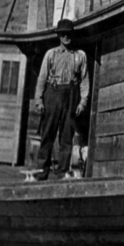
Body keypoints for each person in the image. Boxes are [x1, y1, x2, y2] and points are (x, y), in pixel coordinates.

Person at [33, 18, 89, 180]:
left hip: (71, 95)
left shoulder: (80, 56)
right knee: (48, 133)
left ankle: (62, 171)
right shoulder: (51, 54)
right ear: (58, 35)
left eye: (69, 34)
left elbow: (84, 80)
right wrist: (39, 100)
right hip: (53, 93)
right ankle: (42, 170)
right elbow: (42, 78)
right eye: (63, 34)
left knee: (66, 136)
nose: (66, 37)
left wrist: (83, 102)